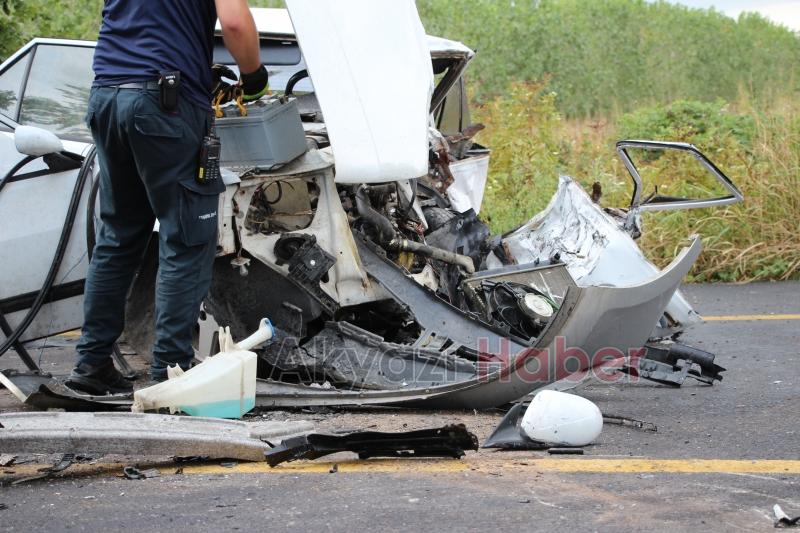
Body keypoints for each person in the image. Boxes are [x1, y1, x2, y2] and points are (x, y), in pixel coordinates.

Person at [66, 0, 268, 395]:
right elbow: (235, 24)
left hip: (108, 94)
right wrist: (254, 76)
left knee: (119, 235)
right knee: (187, 238)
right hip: (163, 102)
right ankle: (171, 375)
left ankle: (90, 365)